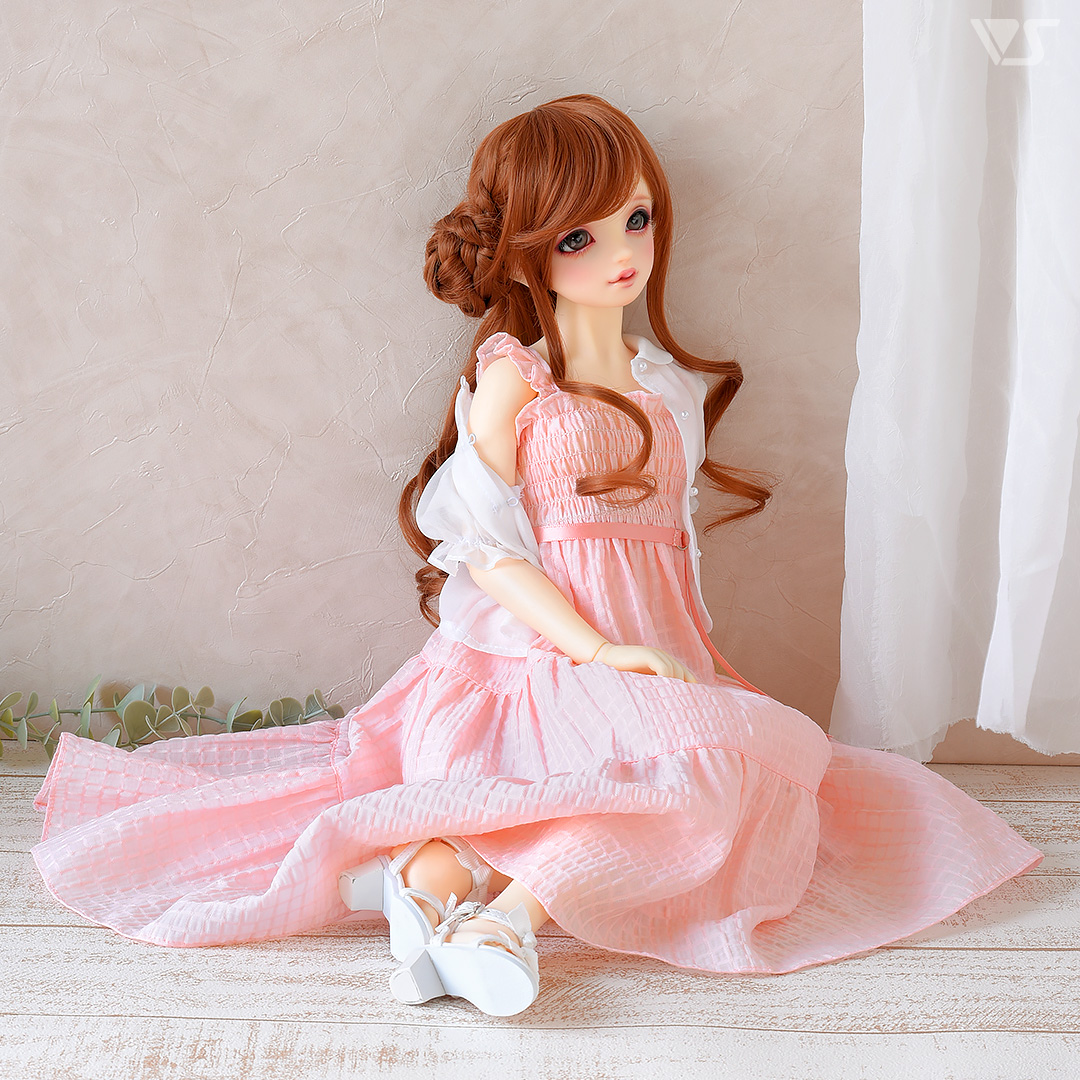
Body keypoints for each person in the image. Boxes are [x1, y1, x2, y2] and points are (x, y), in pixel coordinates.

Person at [32, 95, 1042, 1019]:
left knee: (739, 774)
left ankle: (456, 898)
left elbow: (674, 548)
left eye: (637, 219)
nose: (623, 253)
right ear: (524, 257)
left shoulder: (667, 385)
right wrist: (594, 651)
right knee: (653, 789)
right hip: (531, 663)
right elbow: (483, 548)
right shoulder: (516, 378)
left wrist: (674, 654)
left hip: (652, 660)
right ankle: (482, 911)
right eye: (580, 236)